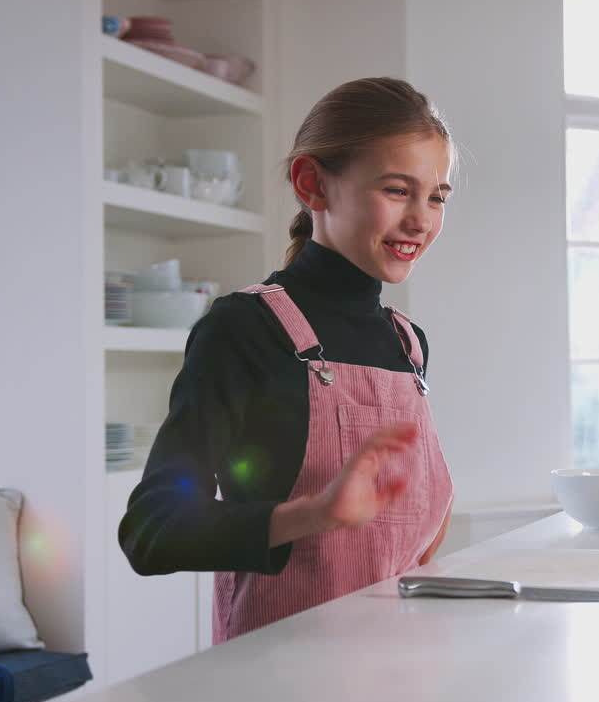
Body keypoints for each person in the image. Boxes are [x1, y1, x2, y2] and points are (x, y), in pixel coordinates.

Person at [119, 77, 456, 644]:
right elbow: (152, 531)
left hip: (398, 662)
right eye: (398, 190)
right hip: (279, 674)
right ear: (312, 184)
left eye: (437, 196)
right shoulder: (244, 330)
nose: (422, 219)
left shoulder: (408, 343)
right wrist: (313, 514)